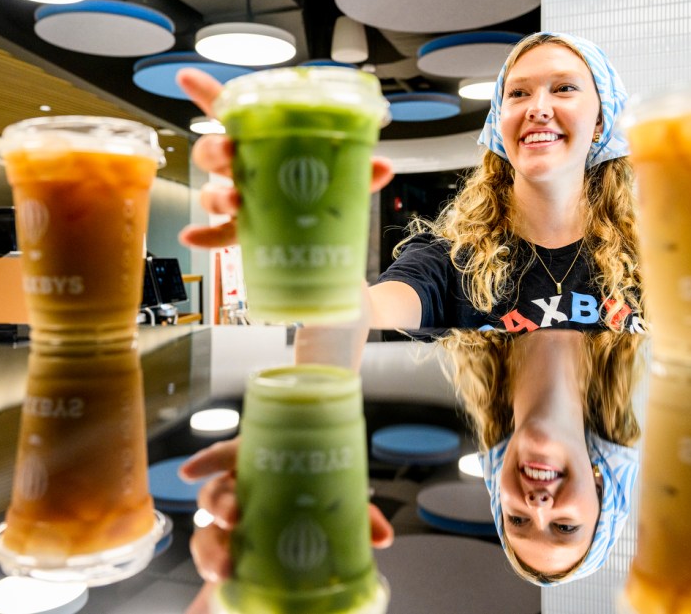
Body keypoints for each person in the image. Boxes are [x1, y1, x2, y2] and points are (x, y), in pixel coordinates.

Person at [178, 31, 643, 333]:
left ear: (602, 121)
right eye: (518, 92)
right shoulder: (448, 259)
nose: (537, 106)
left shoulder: (656, 256)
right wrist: (299, 230)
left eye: (563, 88)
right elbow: (364, 314)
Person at [441, 328, 642, 585]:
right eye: (565, 527)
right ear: (600, 485)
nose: (537, 505)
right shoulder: (644, 305)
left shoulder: (442, 309)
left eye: (518, 519)